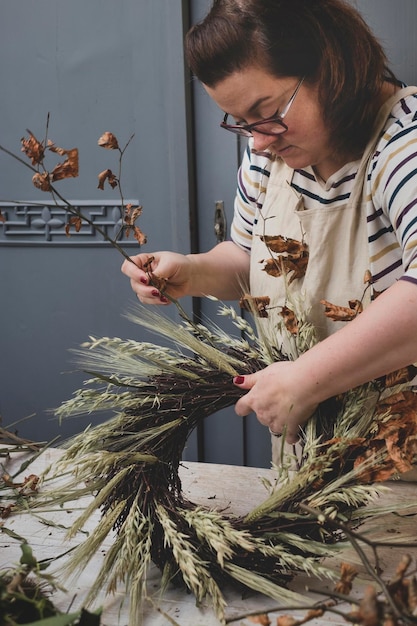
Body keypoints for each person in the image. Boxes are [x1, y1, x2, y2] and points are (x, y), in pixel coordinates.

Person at [122, 0, 417, 470]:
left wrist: (307, 378)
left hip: (401, 466)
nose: (257, 139)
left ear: (331, 65)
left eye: (268, 110)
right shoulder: (271, 155)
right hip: (308, 457)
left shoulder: (404, 146)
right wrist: (193, 271)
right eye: (241, 122)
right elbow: (248, 258)